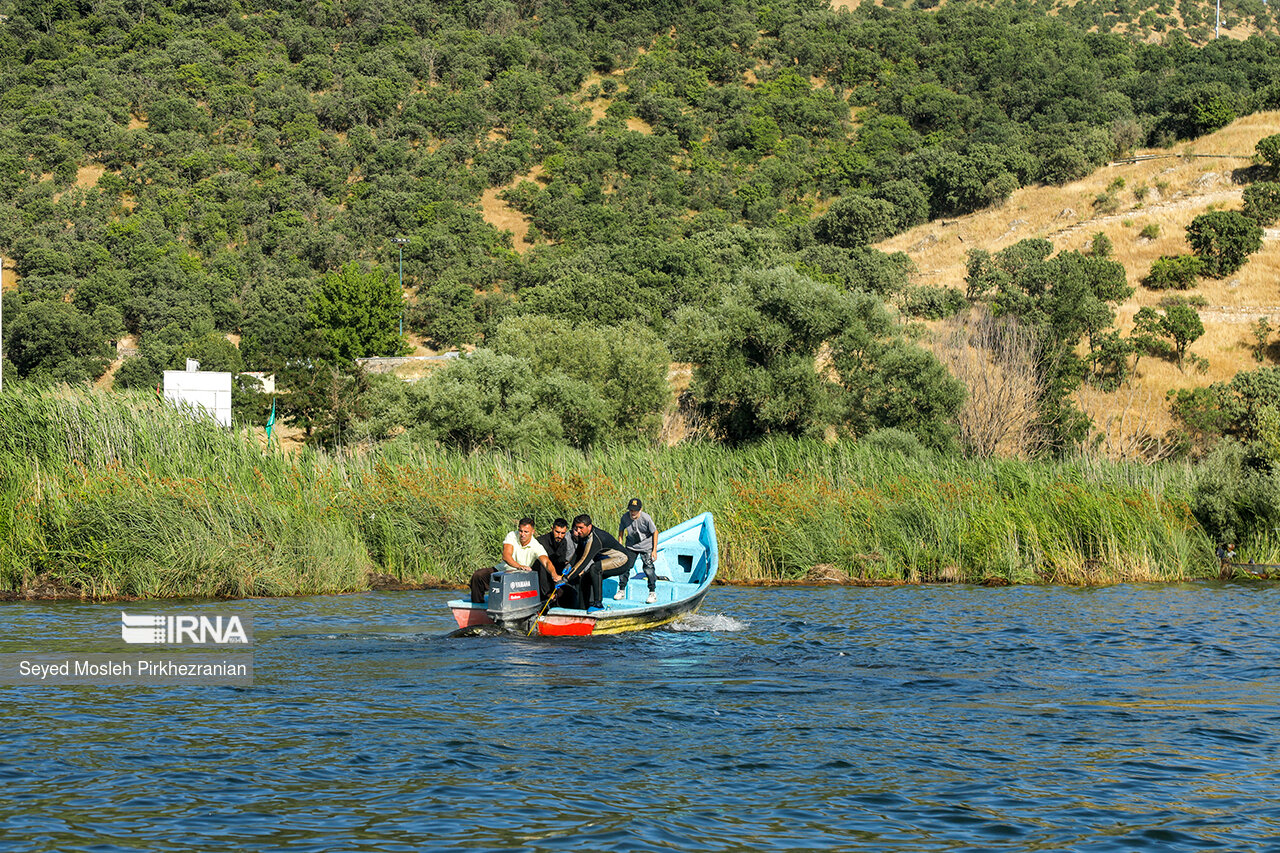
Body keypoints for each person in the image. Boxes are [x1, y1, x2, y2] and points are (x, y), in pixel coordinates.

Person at [469, 518, 552, 604]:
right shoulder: (512, 535)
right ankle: (477, 606)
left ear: (532, 532)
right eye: (520, 531)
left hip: (518, 577)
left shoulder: (536, 546)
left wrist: (554, 574)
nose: (522, 534)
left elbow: (546, 562)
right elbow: (506, 556)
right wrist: (519, 566)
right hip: (502, 571)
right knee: (478, 575)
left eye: (526, 532)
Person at [567, 513, 632, 612]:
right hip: (607, 559)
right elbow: (578, 554)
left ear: (589, 527)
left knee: (595, 568)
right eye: (577, 528)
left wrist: (565, 578)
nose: (578, 531)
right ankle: (582, 608)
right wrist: (568, 567)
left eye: (581, 528)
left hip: (622, 560)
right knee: (584, 577)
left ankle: (598, 604)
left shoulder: (596, 539)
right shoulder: (583, 535)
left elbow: (584, 560)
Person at [616, 497, 659, 604]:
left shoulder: (646, 518)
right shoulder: (625, 518)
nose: (633, 513)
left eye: (635, 510)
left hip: (646, 546)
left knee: (648, 569)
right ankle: (621, 590)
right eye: (631, 510)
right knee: (624, 567)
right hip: (631, 546)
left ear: (640, 510)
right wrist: (619, 546)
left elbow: (655, 532)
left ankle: (652, 592)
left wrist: (654, 550)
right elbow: (621, 530)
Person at [534, 518, 573, 602]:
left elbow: (561, 563)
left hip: (554, 571)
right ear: (552, 529)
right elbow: (544, 564)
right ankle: (547, 594)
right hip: (540, 570)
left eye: (562, 533)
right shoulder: (542, 541)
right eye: (557, 532)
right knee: (542, 564)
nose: (559, 536)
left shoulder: (563, 541)